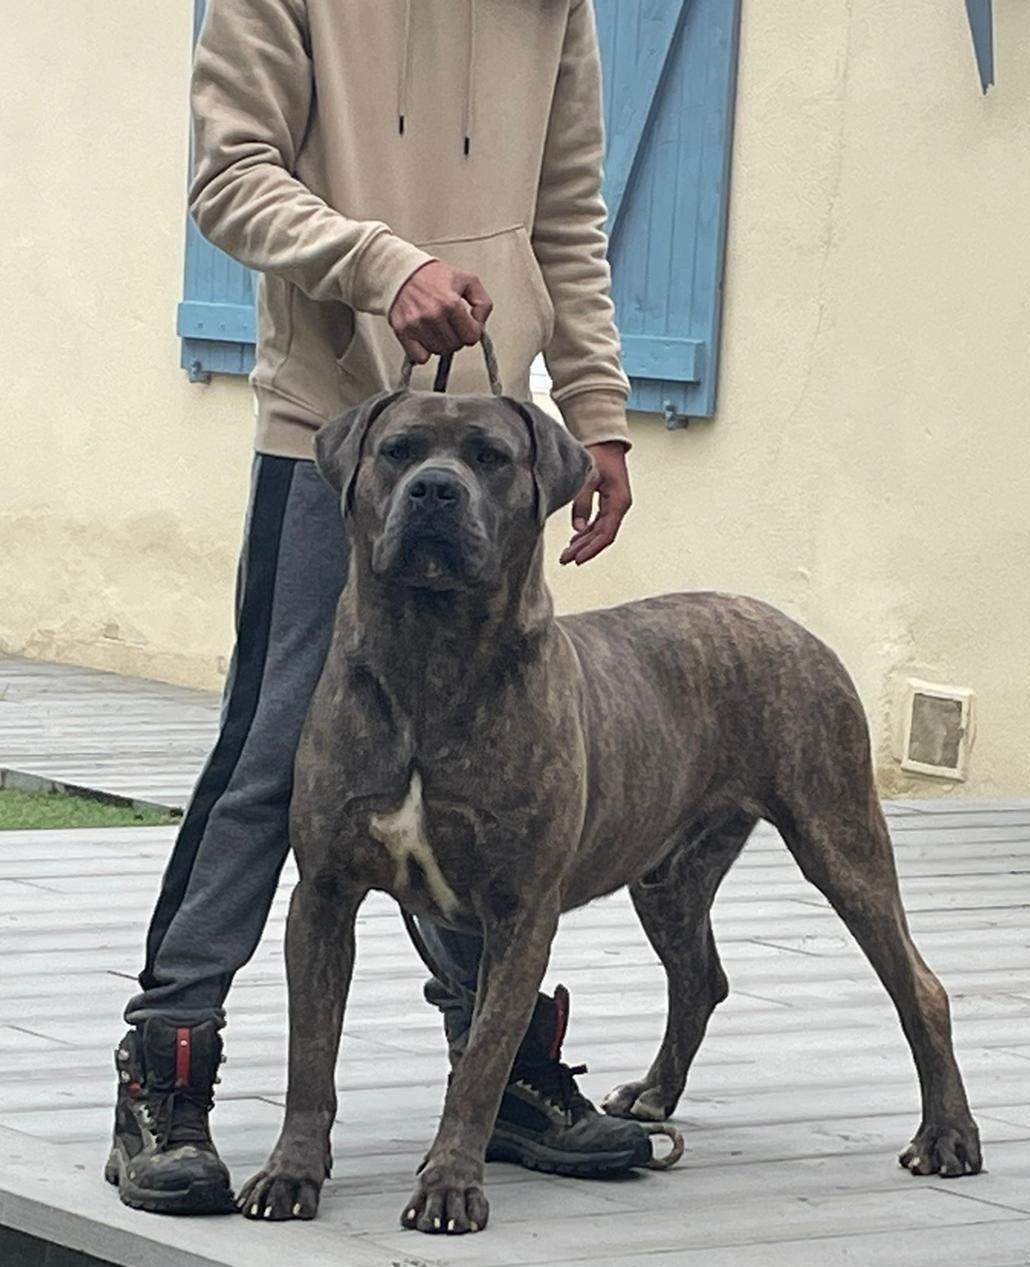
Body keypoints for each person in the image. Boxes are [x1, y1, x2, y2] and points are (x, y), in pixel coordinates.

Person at [106, 0, 647, 1216]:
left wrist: (599, 409)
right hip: (337, 436)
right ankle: (166, 1064)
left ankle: (496, 1069)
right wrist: (382, 264)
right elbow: (232, 178)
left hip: (492, 453)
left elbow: (567, 217)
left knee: (492, 764)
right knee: (275, 746)